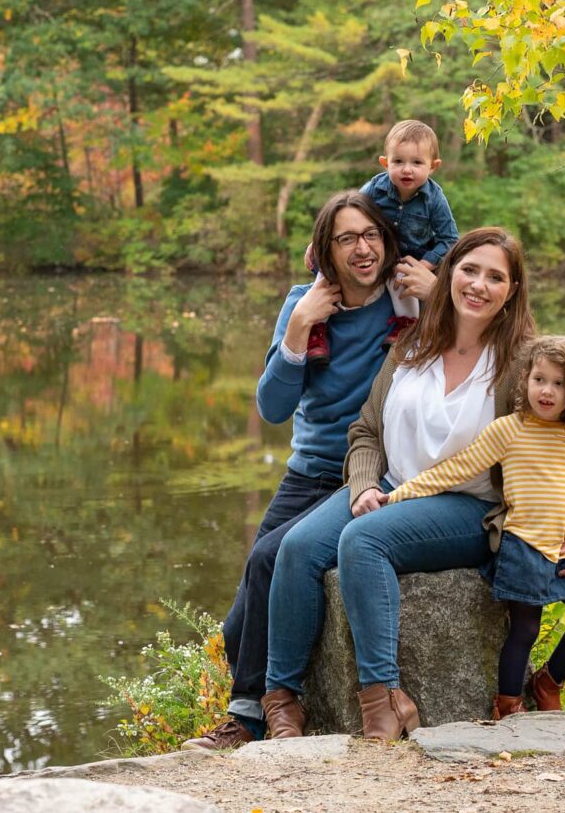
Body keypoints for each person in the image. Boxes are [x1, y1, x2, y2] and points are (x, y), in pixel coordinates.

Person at [261, 228, 565, 741]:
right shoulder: (412, 341)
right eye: (469, 270)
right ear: (449, 275)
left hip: (471, 506)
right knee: (296, 548)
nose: (479, 285)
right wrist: (362, 485)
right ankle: (282, 701)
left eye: (495, 277)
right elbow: (366, 430)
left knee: (363, 540)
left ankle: (383, 700)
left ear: (512, 290)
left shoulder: (525, 363)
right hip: (392, 485)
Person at [182, 190, 416, 751]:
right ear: (325, 251)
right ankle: (262, 705)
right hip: (310, 472)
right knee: (240, 618)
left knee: (269, 557)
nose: (362, 249)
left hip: (372, 473)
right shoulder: (302, 305)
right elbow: (271, 408)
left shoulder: (405, 303)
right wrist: (298, 328)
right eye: (346, 239)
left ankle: (250, 717)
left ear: (386, 240)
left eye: (371, 235)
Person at [387, 335, 565, 719]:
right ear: (525, 380)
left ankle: (549, 681)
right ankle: (508, 705)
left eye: (559, 384)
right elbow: (456, 469)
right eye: (539, 379)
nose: (546, 391)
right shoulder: (508, 430)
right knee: (524, 630)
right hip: (523, 547)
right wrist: (399, 494)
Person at [305, 120, 460, 366]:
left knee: (404, 276)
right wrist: (318, 242)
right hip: (376, 250)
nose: (407, 170)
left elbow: (450, 239)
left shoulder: (434, 199)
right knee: (327, 266)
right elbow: (345, 213)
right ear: (385, 163)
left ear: (433, 166)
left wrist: (426, 264)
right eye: (398, 162)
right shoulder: (375, 188)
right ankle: (316, 329)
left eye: (417, 163)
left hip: (410, 256)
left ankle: (406, 324)